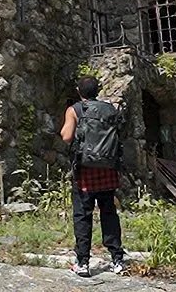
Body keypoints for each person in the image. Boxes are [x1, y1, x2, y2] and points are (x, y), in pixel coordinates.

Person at [60, 76, 126, 277]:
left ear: (79, 91)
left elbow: (66, 136)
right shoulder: (110, 109)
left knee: (82, 215)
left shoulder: (75, 110)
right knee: (109, 214)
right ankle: (117, 260)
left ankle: (83, 262)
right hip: (107, 169)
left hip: (85, 170)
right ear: (97, 90)